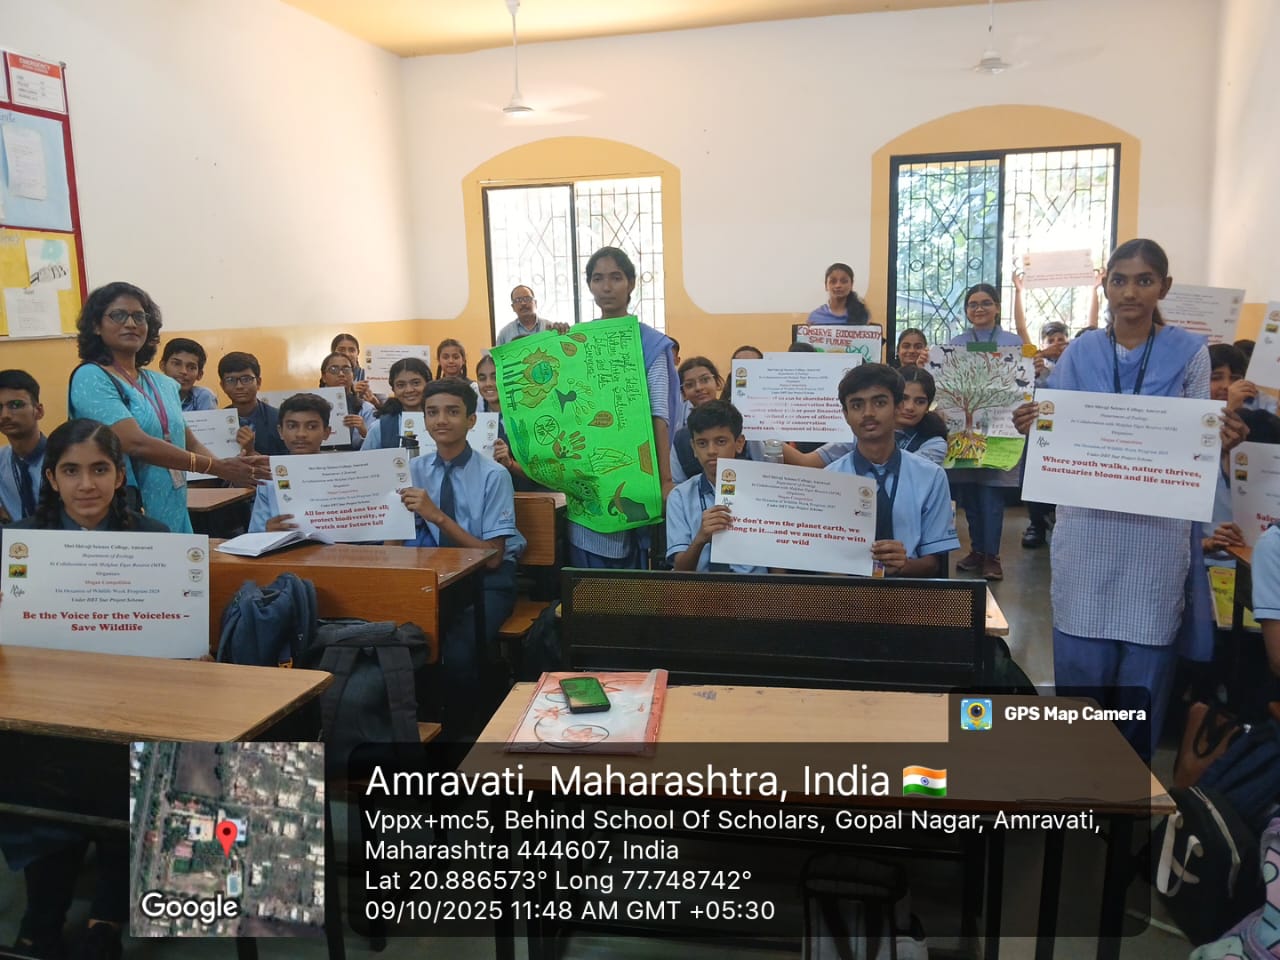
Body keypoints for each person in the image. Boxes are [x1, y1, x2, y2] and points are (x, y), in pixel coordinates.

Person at [1012, 238, 1248, 762]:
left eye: (1144, 280)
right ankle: (1079, 771)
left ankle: (1129, 778)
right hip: (1087, 527)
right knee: (1082, 657)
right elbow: (1057, 425)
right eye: (1120, 280)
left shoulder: (1189, 352)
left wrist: (1221, 439)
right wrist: (1033, 422)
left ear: (1164, 286)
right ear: (1106, 287)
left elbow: (1195, 436)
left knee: (1145, 661)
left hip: (1156, 533)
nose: (1131, 292)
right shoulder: (1081, 352)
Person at [2, 419, 168, 960]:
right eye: (71, 471)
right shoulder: (20, 545)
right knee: (38, 774)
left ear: (120, 476)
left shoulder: (154, 540)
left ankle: (107, 915)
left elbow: (178, 638)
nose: (87, 484)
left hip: (135, 703)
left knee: (130, 773)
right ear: (52, 479)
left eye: (100, 469)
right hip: (46, 704)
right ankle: (43, 913)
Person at [68, 282, 264, 533]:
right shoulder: (91, 377)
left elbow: (187, 440)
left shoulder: (162, 383)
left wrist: (229, 468)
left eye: (139, 317)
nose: (131, 323)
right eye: (118, 315)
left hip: (173, 505)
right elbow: (134, 443)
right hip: (124, 512)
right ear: (96, 325)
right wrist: (214, 467)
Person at [399, 379, 525, 736]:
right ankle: (421, 728)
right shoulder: (413, 470)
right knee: (407, 643)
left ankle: (463, 737)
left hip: (486, 581)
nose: (441, 420)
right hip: (434, 577)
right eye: (432, 412)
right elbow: (398, 540)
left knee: (458, 653)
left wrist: (437, 516)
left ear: (471, 420)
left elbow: (493, 557)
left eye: (453, 412)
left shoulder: (493, 475)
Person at [564, 247, 679, 567]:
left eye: (615, 277)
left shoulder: (651, 344)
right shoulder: (577, 341)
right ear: (589, 285)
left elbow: (659, 415)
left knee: (629, 568)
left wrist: (664, 479)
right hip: (588, 470)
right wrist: (557, 344)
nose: (606, 287)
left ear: (631, 283)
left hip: (635, 471)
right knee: (587, 557)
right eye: (597, 278)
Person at [824, 364, 959, 576]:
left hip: (909, 591)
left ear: (897, 407)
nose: (868, 413)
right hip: (845, 591)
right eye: (857, 405)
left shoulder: (931, 477)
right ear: (846, 414)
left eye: (879, 402)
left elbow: (934, 563)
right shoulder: (829, 480)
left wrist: (905, 565)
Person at [949, 283, 1025, 581]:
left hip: (999, 430)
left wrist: (1035, 364)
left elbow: (1023, 381)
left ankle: (992, 557)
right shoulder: (956, 343)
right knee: (969, 496)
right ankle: (977, 551)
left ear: (997, 307)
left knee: (992, 497)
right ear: (966, 310)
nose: (979, 308)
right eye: (972, 304)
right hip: (966, 429)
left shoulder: (1013, 342)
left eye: (985, 303)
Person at [666, 400, 767, 574]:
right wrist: (700, 539)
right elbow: (681, 569)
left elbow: (778, 559)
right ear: (693, 448)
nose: (711, 451)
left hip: (756, 586)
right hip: (701, 587)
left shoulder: (763, 490)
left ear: (739, 443)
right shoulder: (680, 497)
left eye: (720, 441)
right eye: (702, 443)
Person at [783, 366, 948, 469]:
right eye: (857, 405)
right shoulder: (857, 437)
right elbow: (806, 462)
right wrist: (768, 437)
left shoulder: (933, 449)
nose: (909, 407)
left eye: (920, 401)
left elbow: (910, 475)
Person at [248, 393, 333, 532]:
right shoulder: (269, 480)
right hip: (286, 545)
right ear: (280, 431)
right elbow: (254, 534)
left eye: (311, 427)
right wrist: (267, 530)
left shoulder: (341, 474)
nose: (301, 434)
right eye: (292, 426)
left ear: (326, 432)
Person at [476, 352, 540, 492]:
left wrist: (510, 463)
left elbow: (542, 473)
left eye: (495, 377)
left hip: (530, 496)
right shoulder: (474, 420)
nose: (488, 384)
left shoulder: (528, 415)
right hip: (490, 495)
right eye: (482, 378)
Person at [218, 351, 286, 457]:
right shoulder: (216, 422)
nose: (239, 386)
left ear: (258, 382)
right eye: (230, 380)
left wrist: (250, 451)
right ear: (222, 386)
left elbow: (288, 462)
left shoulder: (279, 419)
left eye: (246, 379)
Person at [0, 369, 46, 525]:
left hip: (63, 537)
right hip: (13, 538)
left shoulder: (63, 458)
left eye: (15, 405)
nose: (5, 415)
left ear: (39, 411)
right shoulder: (1, 460)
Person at [670, 357, 725, 483]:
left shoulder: (740, 422)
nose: (699, 388)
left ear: (717, 383)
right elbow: (677, 483)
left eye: (705, 380)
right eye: (690, 385)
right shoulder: (680, 440)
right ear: (683, 393)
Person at [364, 357, 432, 449]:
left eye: (416, 383)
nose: (409, 390)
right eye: (401, 385)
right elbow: (366, 457)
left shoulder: (441, 421)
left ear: (428, 384)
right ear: (393, 389)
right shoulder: (380, 427)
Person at [319, 350, 376, 447]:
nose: (341, 374)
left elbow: (376, 446)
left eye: (346, 369)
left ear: (353, 375)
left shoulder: (366, 409)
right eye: (334, 369)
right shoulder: (310, 406)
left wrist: (363, 431)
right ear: (324, 377)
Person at [494, 285, 569, 345]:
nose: (523, 303)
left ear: (535, 303)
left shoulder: (550, 327)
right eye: (518, 300)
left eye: (527, 299)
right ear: (513, 307)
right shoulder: (504, 334)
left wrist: (564, 333)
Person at [160, 338, 217, 412]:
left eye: (191, 367)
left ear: (199, 374)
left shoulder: (203, 397)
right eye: (176, 364)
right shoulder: (150, 395)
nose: (183, 371)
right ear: (163, 366)